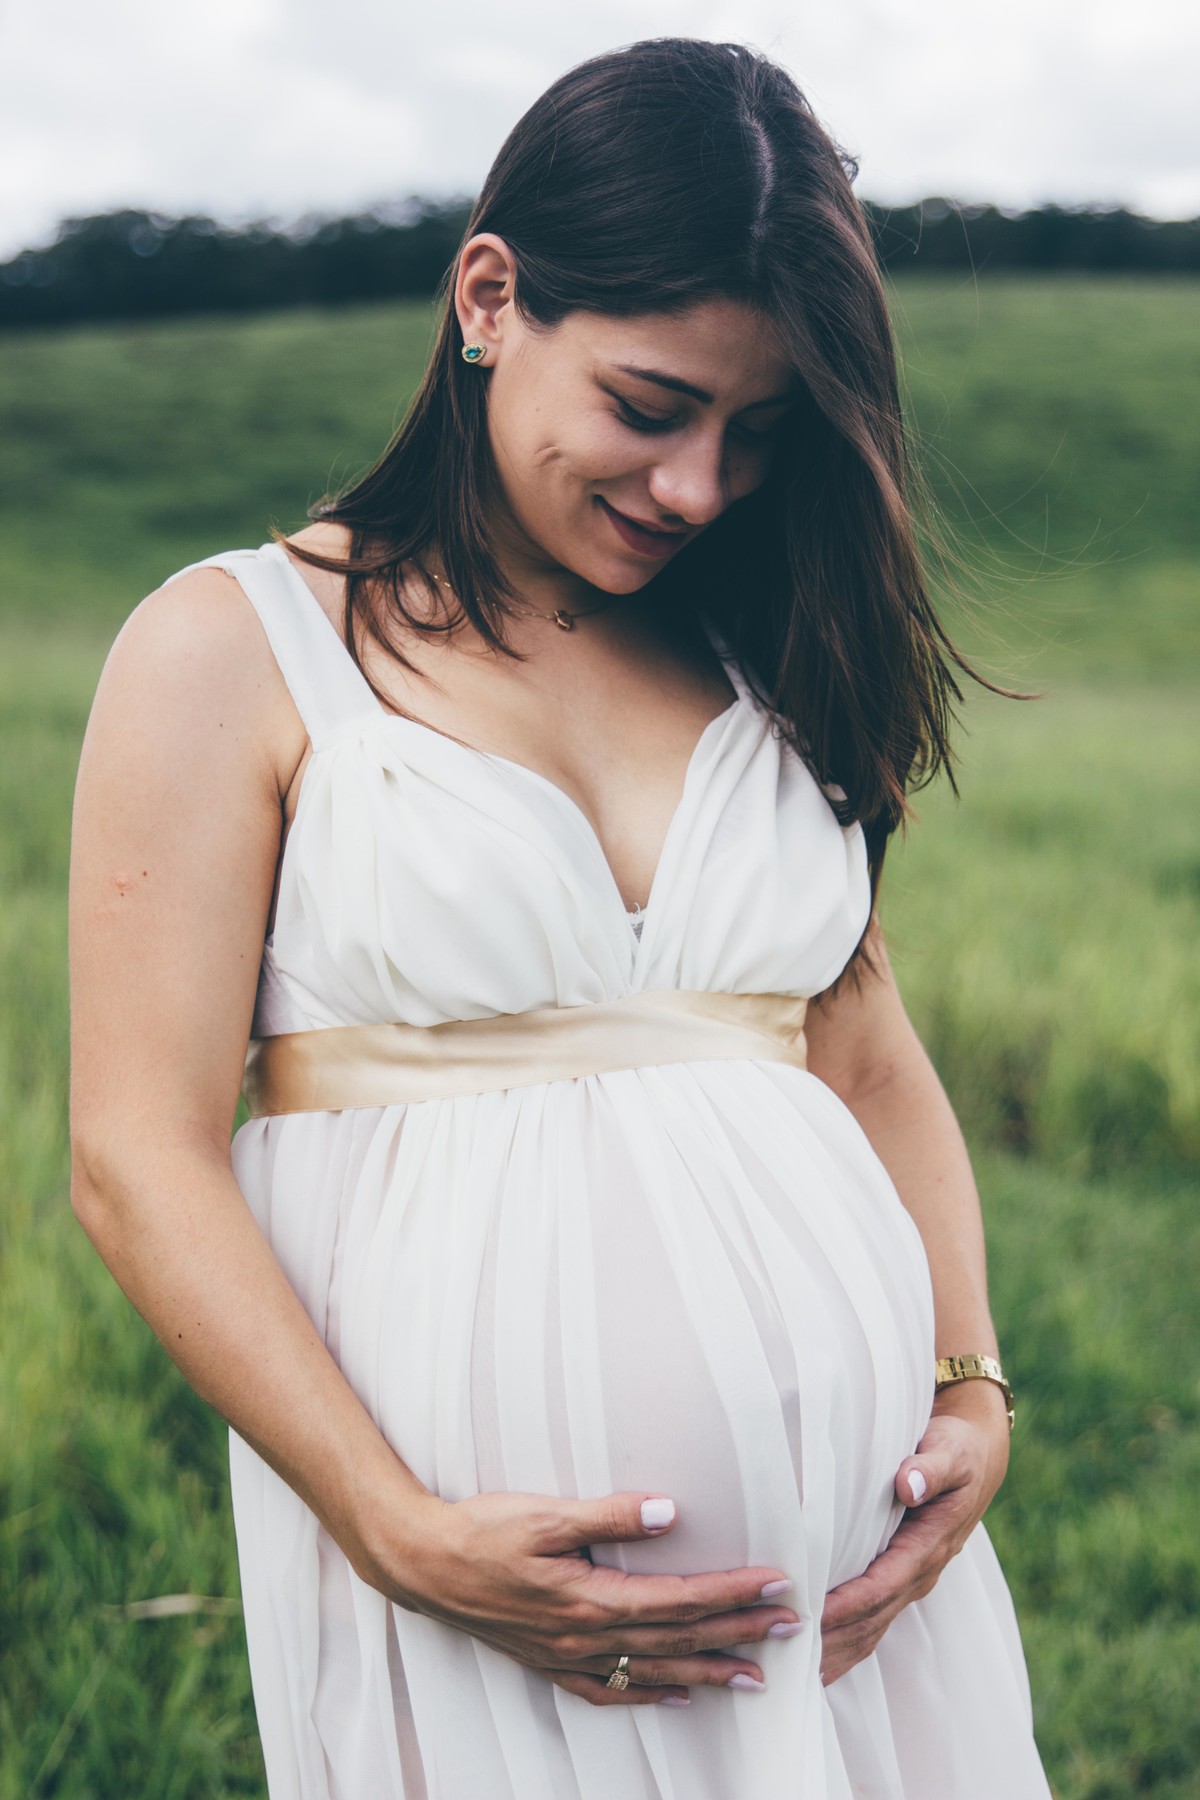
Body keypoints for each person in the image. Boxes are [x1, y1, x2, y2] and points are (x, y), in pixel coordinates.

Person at [68, 34, 1053, 1800]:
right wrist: (389, 1524)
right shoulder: (236, 651)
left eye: (758, 435)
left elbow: (867, 1057)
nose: (697, 489)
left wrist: (971, 1388)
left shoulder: (759, 646)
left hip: (856, 1616)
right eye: (650, 406)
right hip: (470, 1597)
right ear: (489, 297)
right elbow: (136, 1151)